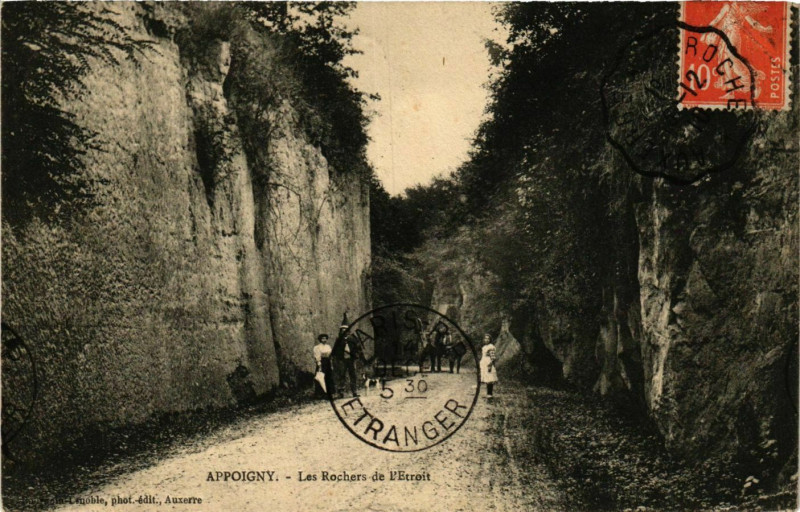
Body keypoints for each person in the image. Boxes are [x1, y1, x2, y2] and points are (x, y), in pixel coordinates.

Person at [333, 313, 362, 398]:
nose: (344, 331)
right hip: (342, 360)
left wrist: (356, 355)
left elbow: (358, 348)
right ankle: (341, 392)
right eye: (342, 330)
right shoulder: (339, 340)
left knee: (353, 375)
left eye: (346, 330)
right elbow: (335, 350)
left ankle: (354, 391)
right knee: (341, 375)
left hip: (351, 359)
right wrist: (336, 358)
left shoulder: (353, 339)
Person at [313, 334, 335, 399]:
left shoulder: (328, 346)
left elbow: (330, 356)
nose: (324, 340)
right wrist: (319, 364)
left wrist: (331, 364)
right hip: (322, 363)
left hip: (328, 363)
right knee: (321, 377)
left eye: (325, 338)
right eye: (323, 339)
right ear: (320, 339)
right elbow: (317, 357)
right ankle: (320, 394)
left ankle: (329, 393)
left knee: (329, 377)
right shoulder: (317, 347)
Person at [479, 333, 498, 398]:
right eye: (485, 338)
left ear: (490, 340)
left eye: (488, 339)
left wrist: (490, 364)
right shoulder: (484, 347)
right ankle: (488, 393)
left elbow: (493, 357)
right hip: (484, 363)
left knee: (490, 378)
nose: (486, 340)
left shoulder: (491, 347)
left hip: (489, 363)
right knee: (486, 378)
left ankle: (490, 393)